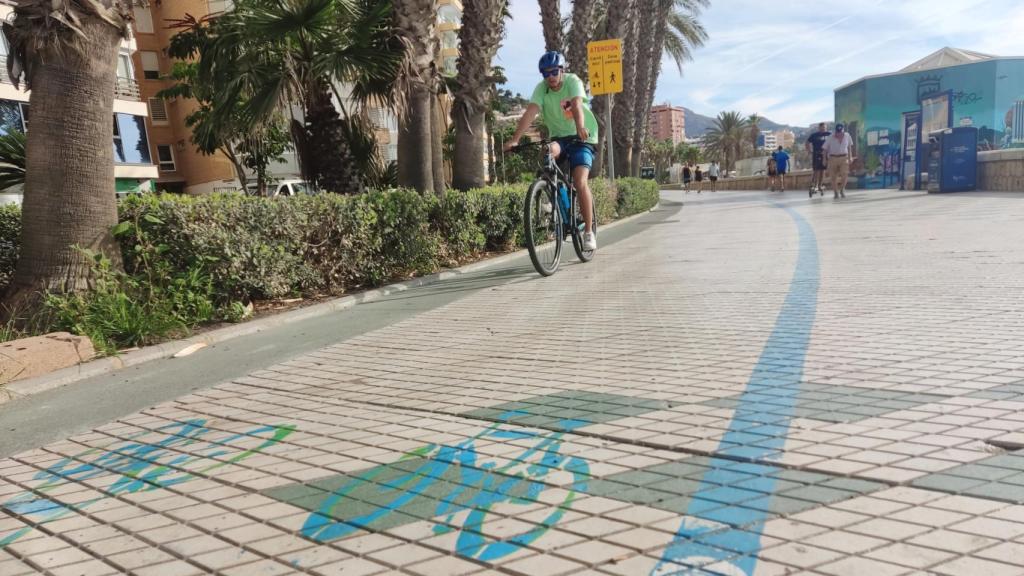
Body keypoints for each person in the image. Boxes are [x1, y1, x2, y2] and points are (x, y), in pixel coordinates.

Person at [505, 51, 599, 250]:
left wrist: (580, 127)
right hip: (560, 139)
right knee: (547, 150)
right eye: (545, 74)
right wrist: (514, 139)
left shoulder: (572, 81)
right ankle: (549, 192)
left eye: (554, 72)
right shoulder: (542, 89)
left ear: (561, 70)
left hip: (583, 137)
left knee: (580, 181)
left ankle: (588, 232)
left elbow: (576, 105)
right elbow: (531, 111)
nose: (550, 77)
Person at [822, 122, 854, 198]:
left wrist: (850, 157)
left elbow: (849, 147)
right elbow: (825, 149)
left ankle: (842, 189)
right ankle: (835, 192)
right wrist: (824, 159)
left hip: (844, 157)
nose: (839, 134)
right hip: (833, 158)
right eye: (837, 132)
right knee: (833, 177)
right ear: (835, 131)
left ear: (843, 130)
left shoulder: (847, 136)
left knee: (845, 174)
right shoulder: (830, 137)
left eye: (840, 132)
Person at [805, 122, 831, 197]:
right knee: (816, 170)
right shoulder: (814, 135)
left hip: (825, 154)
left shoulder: (829, 134)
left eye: (825, 127)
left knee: (823, 170)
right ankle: (815, 185)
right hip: (816, 154)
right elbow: (807, 142)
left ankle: (820, 185)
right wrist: (809, 150)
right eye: (822, 127)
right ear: (819, 128)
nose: (823, 129)